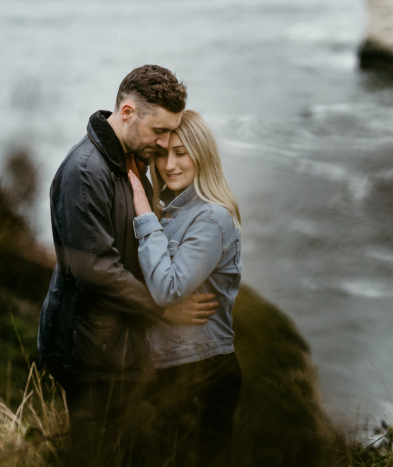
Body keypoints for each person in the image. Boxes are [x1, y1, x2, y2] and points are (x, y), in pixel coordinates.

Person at [37, 65, 218, 465]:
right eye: (159, 132)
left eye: (171, 132)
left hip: (121, 343)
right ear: (126, 113)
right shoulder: (86, 172)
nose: (165, 141)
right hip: (89, 352)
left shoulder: (132, 159)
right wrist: (165, 309)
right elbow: (95, 271)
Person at [128, 109, 242, 467]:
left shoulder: (211, 218)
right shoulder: (173, 215)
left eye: (181, 152)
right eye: (161, 153)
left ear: (202, 155)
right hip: (171, 369)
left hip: (204, 372)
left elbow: (166, 288)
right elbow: (160, 298)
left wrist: (142, 207)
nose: (169, 164)